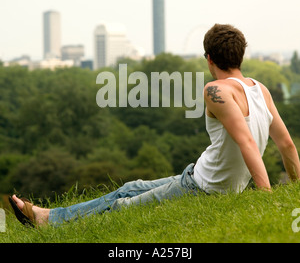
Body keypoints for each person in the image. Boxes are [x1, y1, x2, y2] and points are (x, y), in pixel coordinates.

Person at [9, 23, 300, 227]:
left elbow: (247, 141)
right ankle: (50, 215)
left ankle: (49, 221)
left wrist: (265, 197)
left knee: (122, 207)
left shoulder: (217, 90)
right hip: (199, 176)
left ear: (209, 58)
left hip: (202, 186)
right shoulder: (259, 89)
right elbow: (286, 144)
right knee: (130, 188)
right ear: (241, 55)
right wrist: (296, 187)